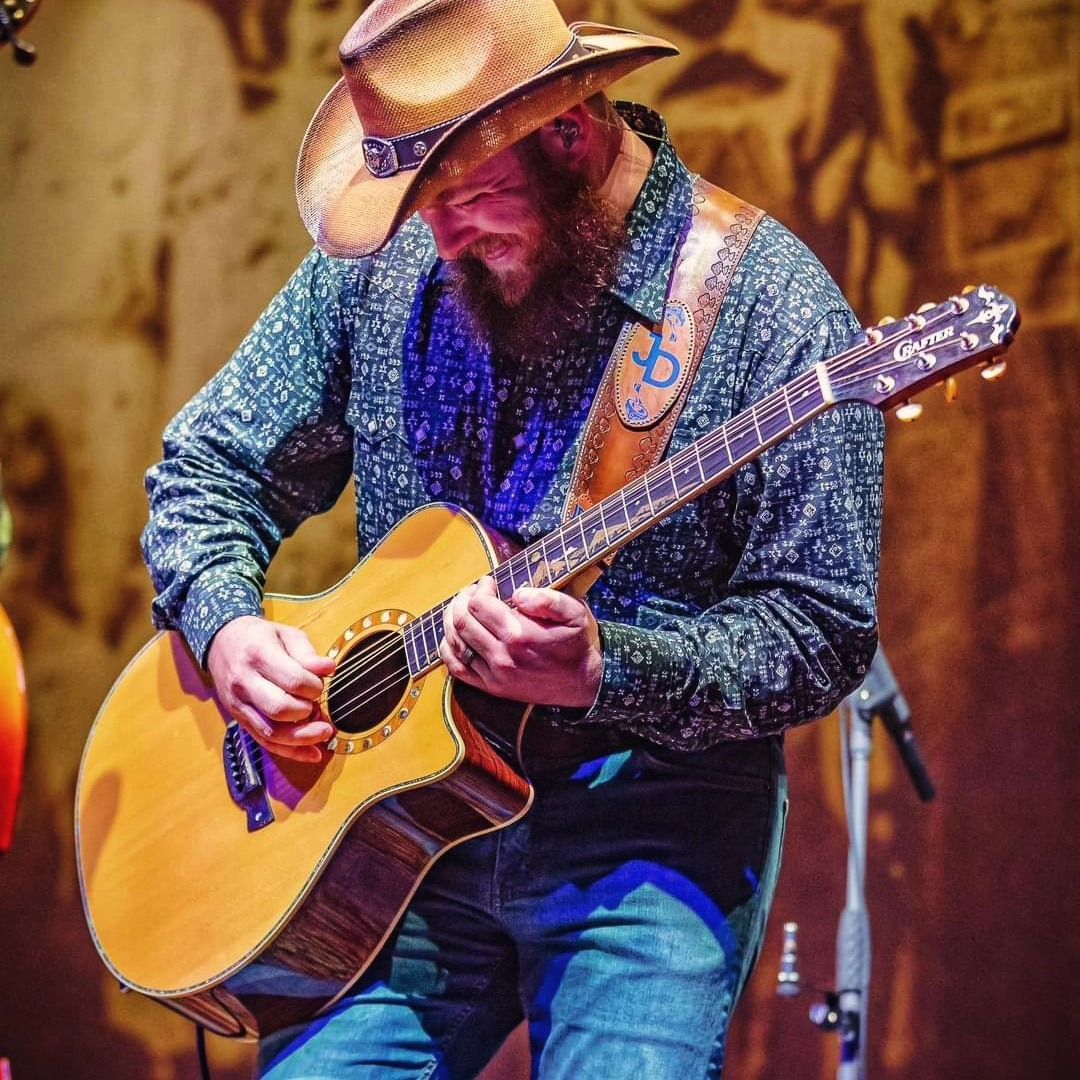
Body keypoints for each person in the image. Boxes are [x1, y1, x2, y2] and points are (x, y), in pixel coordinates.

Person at [141, 0, 884, 1075]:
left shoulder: (773, 309)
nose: (438, 241)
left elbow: (819, 628)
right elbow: (208, 468)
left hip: (647, 830)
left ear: (568, 134)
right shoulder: (394, 258)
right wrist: (224, 629)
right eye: (414, 204)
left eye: (460, 196)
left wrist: (605, 669)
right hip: (386, 835)